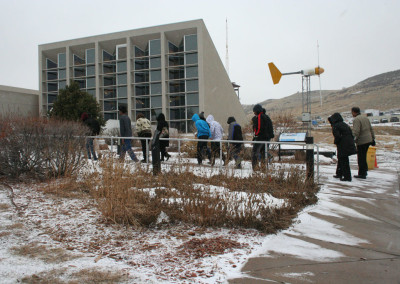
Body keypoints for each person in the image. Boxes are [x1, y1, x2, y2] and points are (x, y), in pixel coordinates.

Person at [329, 113, 357, 182]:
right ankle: (339, 173)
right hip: (349, 144)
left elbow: (337, 136)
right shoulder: (344, 124)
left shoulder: (335, 126)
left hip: (342, 145)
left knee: (343, 160)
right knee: (342, 159)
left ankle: (347, 177)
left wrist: (336, 142)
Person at [351, 107, 375, 179]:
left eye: (352, 112)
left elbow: (356, 132)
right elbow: (371, 129)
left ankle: (362, 173)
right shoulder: (365, 118)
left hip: (362, 141)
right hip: (368, 140)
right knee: (364, 157)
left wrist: (353, 140)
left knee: (361, 158)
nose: (352, 114)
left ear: (354, 112)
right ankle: (364, 171)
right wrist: (373, 139)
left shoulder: (356, 120)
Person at [251, 104, 272, 170]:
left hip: (260, 138)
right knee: (263, 153)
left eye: (254, 111)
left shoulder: (260, 117)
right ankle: (263, 167)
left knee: (255, 152)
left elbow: (259, 128)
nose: (254, 113)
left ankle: (255, 167)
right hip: (267, 138)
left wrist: (256, 135)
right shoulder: (266, 117)